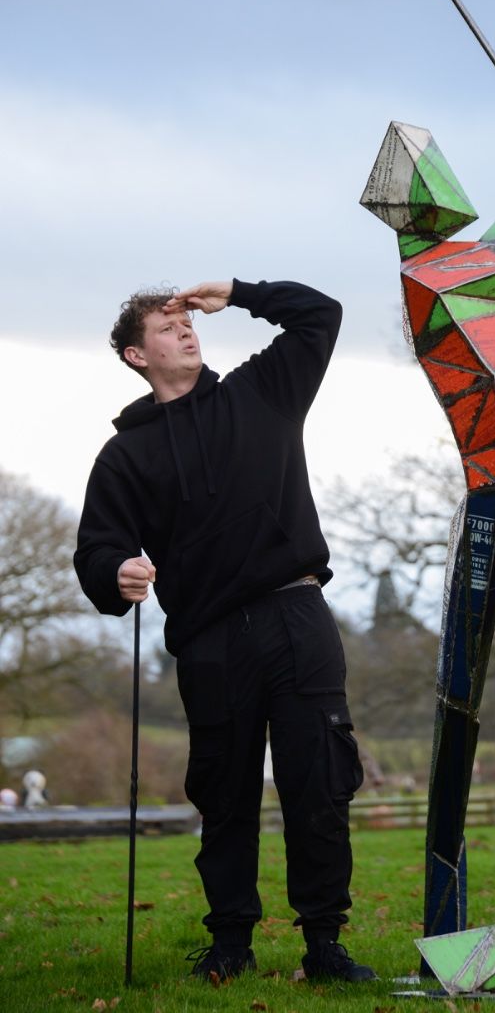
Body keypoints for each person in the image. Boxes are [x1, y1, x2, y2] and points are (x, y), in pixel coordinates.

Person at [74, 278, 376, 984]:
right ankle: (230, 944)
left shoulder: (260, 391)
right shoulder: (124, 457)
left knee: (319, 786)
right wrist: (115, 569)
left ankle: (325, 946)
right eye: (165, 327)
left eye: (186, 322)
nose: (185, 332)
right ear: (134, 356)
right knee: (226, 795)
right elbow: (96, 546)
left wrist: (238, 292)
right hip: (211, 641)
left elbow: (319, 316)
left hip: (297, 614)